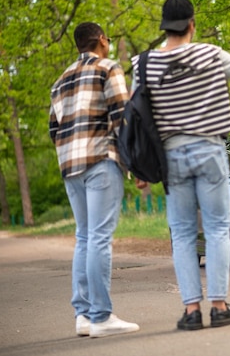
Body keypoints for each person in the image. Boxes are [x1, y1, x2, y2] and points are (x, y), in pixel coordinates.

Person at [130, 0, 230, 331]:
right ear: (191, 24)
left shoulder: (142, 64)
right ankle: (219, 306)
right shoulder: (209, 54)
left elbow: (135, 116)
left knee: (183, 234)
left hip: (170, 157)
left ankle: (191, 311)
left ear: (164, 26)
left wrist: (138, 169)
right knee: (218, 228)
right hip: (209, 150)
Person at [49, 22, 140, 338]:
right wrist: (135, 165)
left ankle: (84, 316)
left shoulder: (59, 81)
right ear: (101, 40)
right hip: (101, 160)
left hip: (70, 167)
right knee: (99, 237)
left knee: (85, 237)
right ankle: (102, 316)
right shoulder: (108, 68)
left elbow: (53, 129)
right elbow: (121, 118)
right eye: (108, 39)